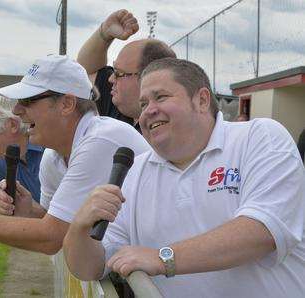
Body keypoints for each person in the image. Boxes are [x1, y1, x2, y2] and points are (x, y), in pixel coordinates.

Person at [64, 58, 305, 297]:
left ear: (201, 100)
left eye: (161, 97)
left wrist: (163, 257)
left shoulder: (259, 137)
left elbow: (262, 231)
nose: (149, 110)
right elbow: (90, 268)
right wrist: (79, 228)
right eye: (143, 103)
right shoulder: (134, 171)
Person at [0, 55, 150, 255]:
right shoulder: (53, 157)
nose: (16, 110)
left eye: (28, 100)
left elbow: (51, 237)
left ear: (67, 104)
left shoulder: (99, 141)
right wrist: (30, 210)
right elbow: (50, 222)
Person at [78, 9, 176, 131]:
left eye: (119, 73)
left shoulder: (172, 130)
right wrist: (104, 33)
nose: (111, 78)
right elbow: (85, 70)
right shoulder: (119, 106)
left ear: (148, 79)